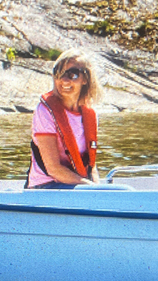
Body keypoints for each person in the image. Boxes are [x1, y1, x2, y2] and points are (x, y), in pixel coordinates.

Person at [26, 49, 102, 189]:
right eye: (59, 73)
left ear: (85, 79)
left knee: (122, 192)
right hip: (46, 187)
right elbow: (54, 169)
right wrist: (92, 189)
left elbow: (91, 166)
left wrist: (98, 187)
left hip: (78, 186)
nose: (64, 80)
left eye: (72, 74)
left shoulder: (90, 113)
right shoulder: (44, 112)